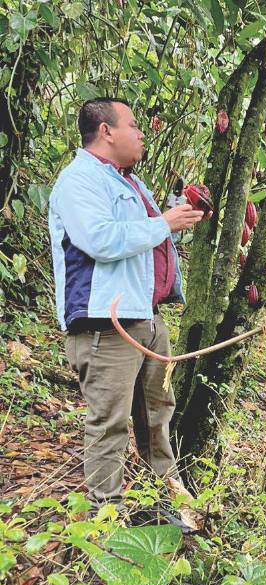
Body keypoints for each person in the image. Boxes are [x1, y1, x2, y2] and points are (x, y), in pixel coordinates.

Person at [48, 98, 204, 524]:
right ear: (105, 131)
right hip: (106, 325)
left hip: (146, 320)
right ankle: (105, 520)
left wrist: (178, 219)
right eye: (133, 125)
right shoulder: (79, 180)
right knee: (110, 423)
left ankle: (168, 502)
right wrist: (164, 223)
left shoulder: (128, 182)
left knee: (156, 417)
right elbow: (99, 239)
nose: (140, 133)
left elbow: (148, 241)